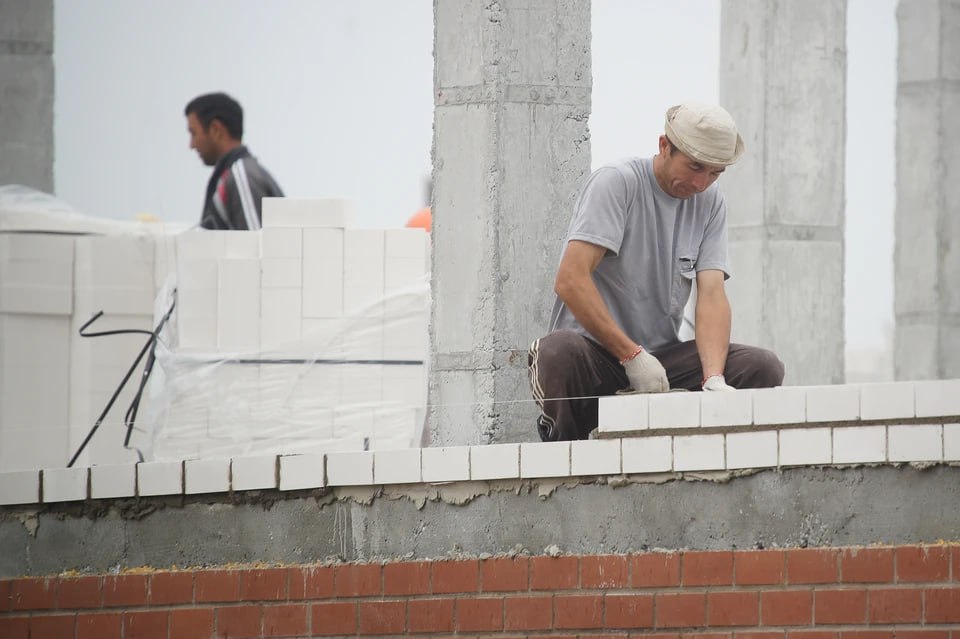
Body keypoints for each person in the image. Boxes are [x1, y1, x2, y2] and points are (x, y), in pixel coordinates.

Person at [528, 102, 785, 442]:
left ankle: (697, 455)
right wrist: (631, 355)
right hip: (596, 356)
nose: (700, 183)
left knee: (762, 366)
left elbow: (711, 294)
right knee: (558, 352)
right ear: (664, 146)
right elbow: (570, 280)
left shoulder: (709, 202)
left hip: (660, 363)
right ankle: (567, 448)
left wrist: (713, 379)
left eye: (715, 173)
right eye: (695, 167)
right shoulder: (617, 183)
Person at [184, 92, 284, 230]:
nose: (192, 145)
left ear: (215, 129)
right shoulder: (236, 175)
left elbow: (256, 245)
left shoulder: (241, 177)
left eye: (193, 133)